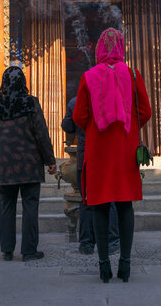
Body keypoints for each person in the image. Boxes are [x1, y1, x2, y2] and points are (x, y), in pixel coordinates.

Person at [73, 28, 151, 283]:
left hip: (98, 148)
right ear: (121, 47)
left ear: (99, 49)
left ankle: (104, 264)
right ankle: (125, 264)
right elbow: (145, 110)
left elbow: (79, 116)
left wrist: (97, 128)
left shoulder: (88, 76)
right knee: (125, 203)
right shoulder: (132, 73)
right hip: (125, 148)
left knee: (100, 204)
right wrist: (126, 127)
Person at [0, 66, 57, 262]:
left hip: (5, 167)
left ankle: (7, 251)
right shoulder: (30, 103)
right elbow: (41, 134)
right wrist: (50, 160)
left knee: (6, 207)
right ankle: (29, 251)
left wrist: (5, 146)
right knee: (30, 207)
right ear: (23, 82)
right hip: (29, 165)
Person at [61, 97, 120, 255]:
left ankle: (86, 244)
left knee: (86, 201)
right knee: (110, 199)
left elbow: (67, 126)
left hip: (86, 158)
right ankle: (112, 242)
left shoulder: (76, 102)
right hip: (107, 157)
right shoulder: (111, 99)